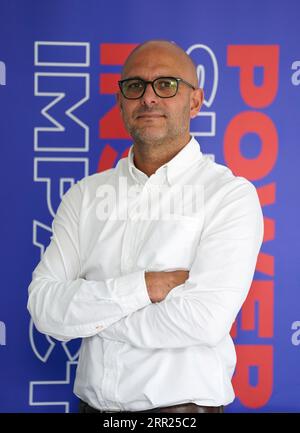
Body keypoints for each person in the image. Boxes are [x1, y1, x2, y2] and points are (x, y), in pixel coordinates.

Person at [27, 40, 264, 414]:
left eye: (166, 85)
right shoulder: (85, 196)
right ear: (121, 102)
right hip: (91, 408)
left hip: (182, 414)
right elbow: (43, 307)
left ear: (195, 101)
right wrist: (145, 287)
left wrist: (90, 317)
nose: (149, 98)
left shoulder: (229, 196)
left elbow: (202, 322)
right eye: (135, 86)